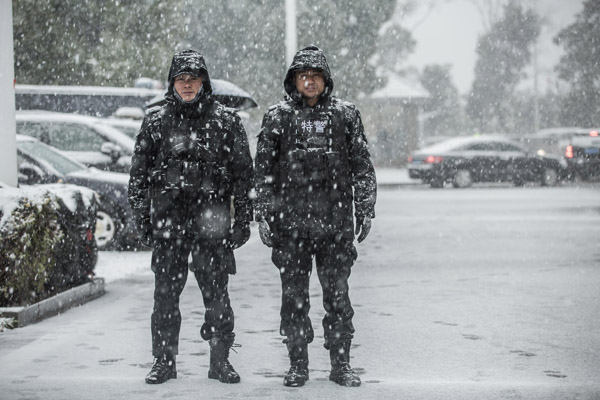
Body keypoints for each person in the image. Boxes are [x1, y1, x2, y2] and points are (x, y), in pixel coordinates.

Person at [128, 49, 253, 385]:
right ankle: (163, 361)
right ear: (172, 82)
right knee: (165, 297)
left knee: (217, 296)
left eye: (193, 78)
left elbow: (244, 176)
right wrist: (142, 218)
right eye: (181, 78)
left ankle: (220, 359)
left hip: (211, 224)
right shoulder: (156, 121)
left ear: (203, 81)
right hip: (169, 224)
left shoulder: (225, 121)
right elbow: (138, 175)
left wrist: (242, 220)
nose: (187, 84)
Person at [254, 45, 377, 388]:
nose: (309, 81)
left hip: (335, 225)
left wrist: (365, 208)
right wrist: (262, 213)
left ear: (326, 80)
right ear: (294, 80)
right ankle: (297, 364)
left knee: (338, 297)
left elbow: (362, 167)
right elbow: (262, 171)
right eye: (303, 75)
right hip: (291, 225)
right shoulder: (277, 116)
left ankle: (341, 364)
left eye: (315, 75)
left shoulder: (345, 115)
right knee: (293, 299)